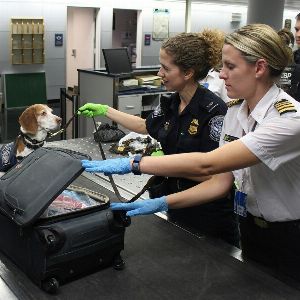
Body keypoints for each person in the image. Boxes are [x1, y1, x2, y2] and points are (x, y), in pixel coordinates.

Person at [81, 23, 300, 282]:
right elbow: (221, 182)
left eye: (230, 67)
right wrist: (160, 203)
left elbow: (207, 166)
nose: (221, 75)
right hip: (250, 226)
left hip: (290, 235)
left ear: (259, 68)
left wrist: (135, 163)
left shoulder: (288, 120)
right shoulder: (235, 111)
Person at [78, 30, 239, 246]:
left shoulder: (214, 111)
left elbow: (212, 175)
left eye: (166, 68)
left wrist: (151, 165)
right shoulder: (170, 103)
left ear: (188, 72)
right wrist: (106, 110)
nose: (159, 72)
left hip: (206, 215)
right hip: (175, 204)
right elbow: (146, 126)